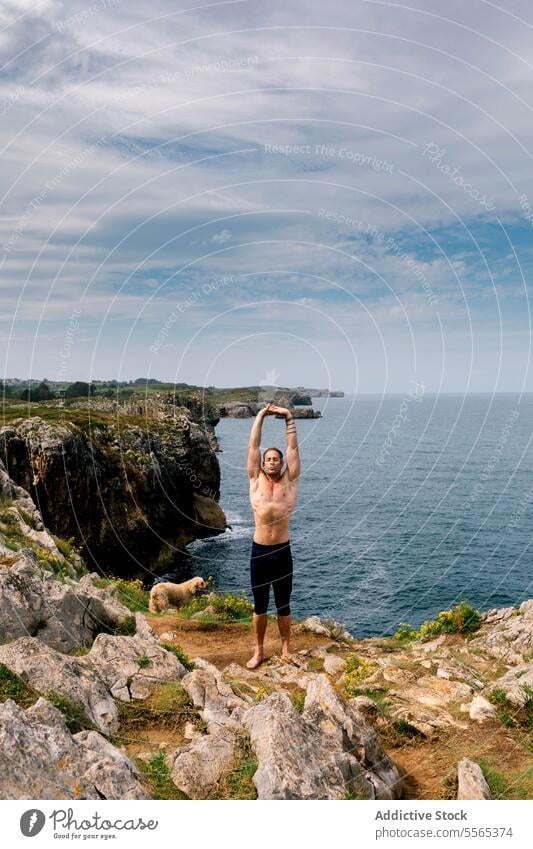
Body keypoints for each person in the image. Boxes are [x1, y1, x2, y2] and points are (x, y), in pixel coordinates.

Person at [246, 402, 301, 668]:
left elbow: (292, 448)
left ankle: (286, 649)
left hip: (281, 552)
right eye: (268, 459)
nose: (271, 461)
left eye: (275, 459)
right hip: (259, 552)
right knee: (259, 606)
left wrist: (288, 417)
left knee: (283, 605)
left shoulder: (289, 483)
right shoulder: (254, 480)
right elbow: (253, 448)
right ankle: (258, 651)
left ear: (281, 463)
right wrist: (260, 416)